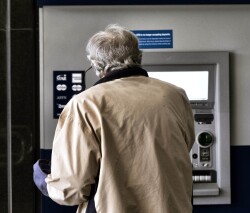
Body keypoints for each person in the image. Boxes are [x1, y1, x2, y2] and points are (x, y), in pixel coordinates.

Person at [33, 24, 195, 213]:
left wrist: (44, 181)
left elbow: (72, 190)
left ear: (94, 64)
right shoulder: (174, 95)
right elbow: (184, 146)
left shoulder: (85, 104)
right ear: (139, 56)